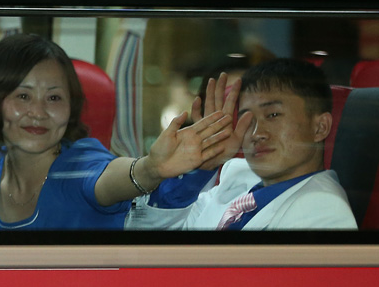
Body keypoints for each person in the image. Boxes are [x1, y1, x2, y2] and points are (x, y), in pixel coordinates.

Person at [0, 34, 233, 230]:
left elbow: (111, 177)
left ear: (71, 107)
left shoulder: (81, 162)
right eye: (23, 96)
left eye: (54, 98)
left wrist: (151, 168)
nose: (38, 112)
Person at [126, 58, 357, 230]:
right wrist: (198, 170)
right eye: (247, 119)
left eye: (273, 115)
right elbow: (150, 243)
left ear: (320, 128)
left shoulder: (325, 213)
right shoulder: (236, 176)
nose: (257, 133)